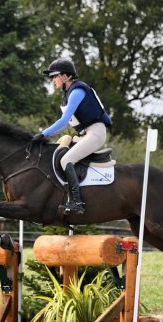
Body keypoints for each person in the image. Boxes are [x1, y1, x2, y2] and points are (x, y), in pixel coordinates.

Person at [32, 58, 112, 215]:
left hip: (95, 132)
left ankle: (77, 202)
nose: (52, 80)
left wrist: (43, 134)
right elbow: (68, 124)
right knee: (57, 151)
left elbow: (63, 121)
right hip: (84, 133)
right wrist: (44, 135)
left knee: (67, 160)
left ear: (65, 76)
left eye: (54, 76)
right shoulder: (68, 94)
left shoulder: (77, 92)